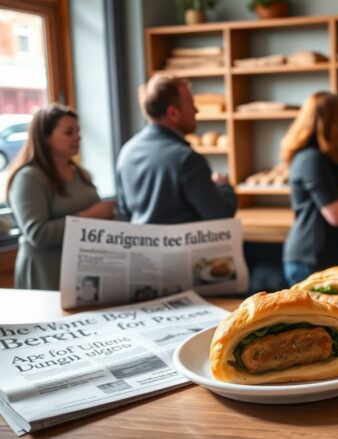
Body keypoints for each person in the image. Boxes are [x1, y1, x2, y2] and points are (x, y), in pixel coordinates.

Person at [6, 104, 114, 290]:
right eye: (69, 132)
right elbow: (37, 234)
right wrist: (90, 215)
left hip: (82, 270)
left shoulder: (79, 173)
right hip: (47, 274)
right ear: (46, 138)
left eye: (78, 131)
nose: (77, 137)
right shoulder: (29, 178)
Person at [116, 74, 236, 224]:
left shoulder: (126, 152)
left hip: (141, 246)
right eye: (191, 104)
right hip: (184, 247)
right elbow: (220, 217)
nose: (196, 110)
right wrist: (224, 186)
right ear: (173, 113)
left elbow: (125, 211)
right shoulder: (187, 159)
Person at [281, 92, 338, 285]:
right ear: (329, 121)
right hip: (310, 259)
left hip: (320, 256)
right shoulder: (312, 160)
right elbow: (337, 216)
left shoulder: (325, 157)